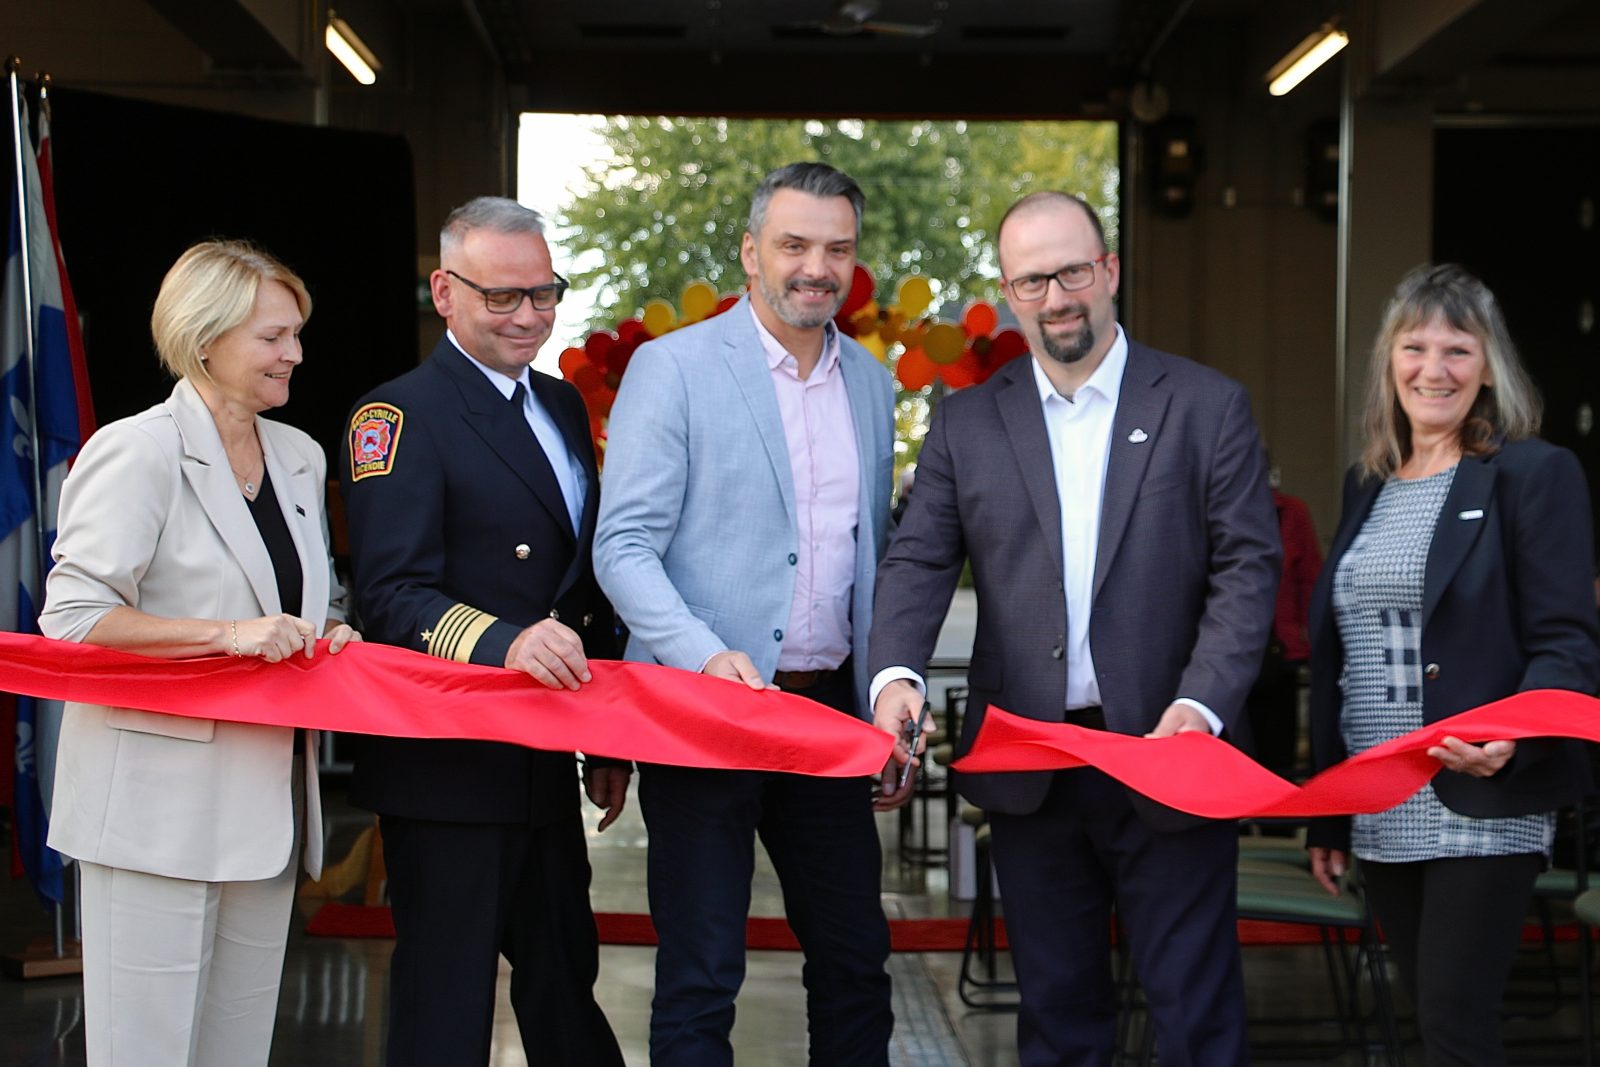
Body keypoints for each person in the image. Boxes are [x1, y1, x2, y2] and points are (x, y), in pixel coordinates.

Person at [870, 190, 1280, 1067]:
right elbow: (916, 560)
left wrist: (1202, 706)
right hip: (1033, 768)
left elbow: (1249, 572)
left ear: (1111, 271)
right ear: (1009, 293)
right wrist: (894, 674)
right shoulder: (967, 422)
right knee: (1057, 1021)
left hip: (1171, 755)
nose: (1057, 296)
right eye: (1032, 280)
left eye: (1073, 271)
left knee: (1195, 1019)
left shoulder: (1207, 406)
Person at [593, 161, 898, 1066]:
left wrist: (886, 700)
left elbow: (872, 563)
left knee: (856, 962)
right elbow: (624, 546)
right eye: (794, 244)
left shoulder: (876, 385)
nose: (817, 266)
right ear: (750, 251)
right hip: (702, 714)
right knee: (700, 973)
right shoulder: (673, 367)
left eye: (837, 248)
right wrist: (701, 653)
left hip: (827, 712)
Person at [40, 239, 358, 1067]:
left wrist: (331, 633)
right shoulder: (135, 449)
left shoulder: (299, 454)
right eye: (273, 336)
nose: (294, 352)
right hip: (155, 813)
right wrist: (225, 636)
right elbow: (73, 615)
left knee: (235, 1052)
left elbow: (302, 601)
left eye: (296, 333)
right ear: (204, 338)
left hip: (271, 807)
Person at [339, 197, 627, 1067]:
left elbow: (581, 582)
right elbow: (389, 596)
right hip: (450, 763)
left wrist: (608, 735)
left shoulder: (561, 403)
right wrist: (505, 641)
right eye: (503, 297)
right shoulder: (395, 417)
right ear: (445, 292)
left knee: (564, 978)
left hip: (546, 750)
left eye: (545, 293)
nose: (530, 315)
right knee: (446, 1005)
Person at [1306, 263, 1600, 1066]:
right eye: (1416, 346)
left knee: (1453, 1019)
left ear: (1489, 366)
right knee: (1425, 1015)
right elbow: (1343, 653)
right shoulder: (1367, 483)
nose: (1434, 369)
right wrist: (1332, 811)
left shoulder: (1534, 476)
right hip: (1379, 797)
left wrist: (1515, 735)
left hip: (1482, 793)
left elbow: (1567, 640)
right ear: (1389, 361)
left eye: (1458, 349)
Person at [1244, 475, 1322, 779]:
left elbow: (1309, 580)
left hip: (1280, 651)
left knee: (1278, 761)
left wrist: (1308, 641)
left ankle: (1280, 824)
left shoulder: (1290, 512)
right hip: (1217, 651)